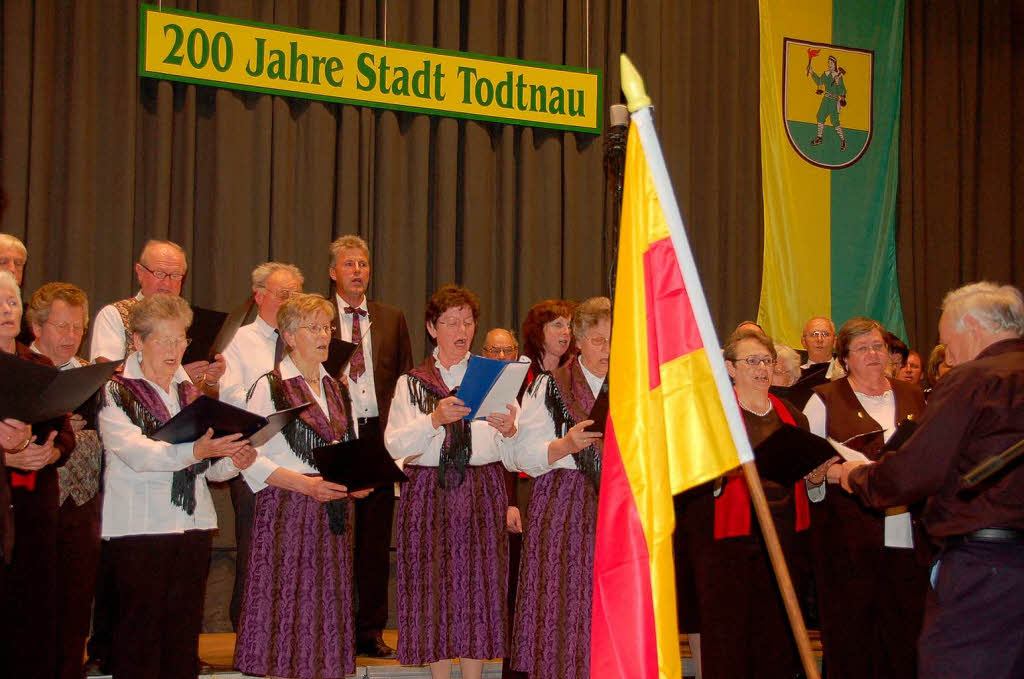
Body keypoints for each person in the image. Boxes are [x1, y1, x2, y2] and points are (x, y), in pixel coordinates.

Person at [840, 282, 1024, 679]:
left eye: (947, 340)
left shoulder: (974, 380)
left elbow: (914, 472)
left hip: (985, 569)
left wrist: (859, 478)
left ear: (972, 326)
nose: (949, 354)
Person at [98, 294, 254, 679]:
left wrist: (232, 461)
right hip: (140, 526)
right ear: (137, 341)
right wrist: (196, 451)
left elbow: (208, 471)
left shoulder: (190, 393)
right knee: (140, 634)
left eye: (180, 339)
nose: (174, 349)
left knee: (183, 632)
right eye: (162, 340)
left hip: (192, 523)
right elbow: (137, 454)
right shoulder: (115, 390)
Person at [234, 293, 370, 679]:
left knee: (326, 608)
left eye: (327, 326)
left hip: (333, 514)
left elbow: (351, 449)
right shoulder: (270, 386)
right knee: (288, 610)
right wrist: (305, 486)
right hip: (287, 510)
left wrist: (358, 483)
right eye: (313, 327)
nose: (324, 334)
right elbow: (249, 457)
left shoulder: (338, 387)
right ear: (290, 336)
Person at [384, 284, 516, 679]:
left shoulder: (493, 375)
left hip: (482, 487)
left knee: (479, 586)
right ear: (431, 327)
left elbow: (516, 442)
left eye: (468, 321)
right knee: (433, 587)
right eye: (452, 321)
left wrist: (510, 429)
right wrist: (433, 420)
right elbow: (394, 444)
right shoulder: (413, 382)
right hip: (429, 489)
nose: (462, 329)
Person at [681, 329, 814, 678]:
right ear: (730, 368)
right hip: (727, 544)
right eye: (751, 361)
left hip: (783, 539)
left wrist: (816, 474)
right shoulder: (712, 417)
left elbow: (803, 476)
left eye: (766, 361)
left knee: (776, 637)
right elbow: (687, 477)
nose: (761, 369)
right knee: (728, 638)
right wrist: (718, 473)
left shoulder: (793, 416)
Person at [802, 317, 929, 679]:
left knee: (905, 635)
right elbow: (810, 468)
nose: (874, 354)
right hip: (847, 542)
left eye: (879, 347)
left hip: (909, 536)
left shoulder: (914, 396)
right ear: (844, 360)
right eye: (862, 348)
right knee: (853, 636)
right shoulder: (822, 400)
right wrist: (833, 472)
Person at [506, 297, 609, 679]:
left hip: (614, 507)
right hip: (563, 507)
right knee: (561, 610)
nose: (607, 351)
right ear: (579, 341)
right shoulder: (550, 386)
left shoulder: (632, 389)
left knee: (607, 610)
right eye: (598, 341)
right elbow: (518, 456)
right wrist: (565, 446)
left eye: (614, 342)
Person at [328, 234, 413, 657]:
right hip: (336, 438)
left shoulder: (391, 317)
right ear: (333, 273)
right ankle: (332, 625)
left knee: (376, 540)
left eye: (362, 264)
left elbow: (404, 380)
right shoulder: (317, 317)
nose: (357, 271)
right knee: (335, 533)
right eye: (349, 265)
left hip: (378, 437)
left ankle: (370, 629)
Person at [219, 261, 304, 631]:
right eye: (283, 294)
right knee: (256, 551)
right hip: (254, 459)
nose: (290, 301)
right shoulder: (237, 341)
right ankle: (249, 631)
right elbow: (230, 399)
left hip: (301, 462)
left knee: (297, 556)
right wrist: (275, 389)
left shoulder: (308, 343)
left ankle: (291, 631)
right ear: (258, 297)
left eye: (296, 295)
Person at [0, 270, 76, 679]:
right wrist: (7, 459)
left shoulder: (38, 363)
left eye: (12, 301)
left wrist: (50, 455)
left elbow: (64, 432)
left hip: (35, 507)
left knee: (35, 616)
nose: (6, 310)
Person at [26, 282, 104, 679]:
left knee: (75, 609)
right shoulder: (21, 370)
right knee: (32, 610)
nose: (71, 336)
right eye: (62, 327)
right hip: (31, 508)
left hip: (82, 506)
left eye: (78, 328)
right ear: (37, 327)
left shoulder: (92, 376)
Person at [90, 239, 225, 394]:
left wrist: (210, 381)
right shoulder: (115, 314)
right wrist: (180, 377)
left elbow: (202, 396)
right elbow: (108, 376)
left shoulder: (187, 319)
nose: (167, 283)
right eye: (159, 273)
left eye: (175, 275)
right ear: (140, 273)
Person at [481, 326, 528, 679]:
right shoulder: (477, 389)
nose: (500, 358)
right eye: (493, 351)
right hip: (494, 496)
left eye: (506, 351)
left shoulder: (531, 388)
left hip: (529, 496)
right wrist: (507, 502)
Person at [787, 316, 844, 408]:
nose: (820, 340)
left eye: (825, 334)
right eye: (814, 334)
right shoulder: (793, 376)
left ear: (835, 342)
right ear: (804, 342)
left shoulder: (847, 373)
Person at [521, 299, 577, 382]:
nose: (566, 332)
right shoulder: (522, 372)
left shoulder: (576, 371)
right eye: (558, 325)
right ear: (538, 330)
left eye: (568, 326)